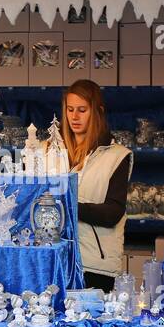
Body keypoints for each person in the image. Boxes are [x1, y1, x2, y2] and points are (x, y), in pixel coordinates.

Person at [60, 80, 132, 292]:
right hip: (56, 257)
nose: (74, 117)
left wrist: (68, 206)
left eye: (82, 110)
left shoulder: (117, 156)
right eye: (70, 109)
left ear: (98, 111)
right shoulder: (51, 151)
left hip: (95, 265)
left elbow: (113, 212)